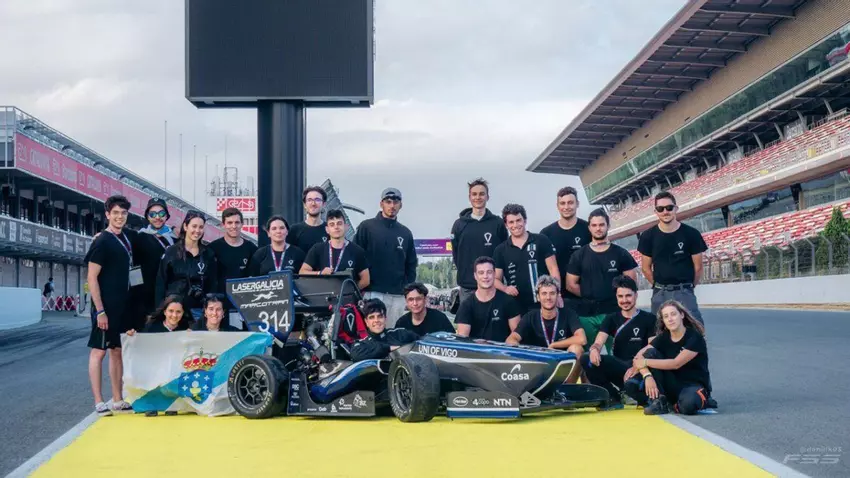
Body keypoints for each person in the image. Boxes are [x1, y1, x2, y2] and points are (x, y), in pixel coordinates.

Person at [85, 195, 135, 416]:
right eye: (115, 213)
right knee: (99, 352)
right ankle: (98, 401)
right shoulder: (102, 241)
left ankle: (117, 399)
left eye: (123, 213)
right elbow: (92, 277)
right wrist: (100, 311)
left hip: (123, 306)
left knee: (117, 351)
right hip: (105, 308)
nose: (119, 217)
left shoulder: (126, 238)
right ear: (107, 214)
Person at [625, 300, 716, 415]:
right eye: (666, 316)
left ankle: (685, 402)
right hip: (671, 383)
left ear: (681, 315)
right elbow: (638, 358)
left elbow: (676, 363)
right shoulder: (663, 337)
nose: (670, 319)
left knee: (688, 405)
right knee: (633, 382)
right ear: (663, 320)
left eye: (673, 314)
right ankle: (660, 401)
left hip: (691, 384)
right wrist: (647, 375)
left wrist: (645, 362)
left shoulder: (694, 337)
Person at [579, 275, 656, 410]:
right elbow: (598, 342)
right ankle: (613, 397)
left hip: (640, 368)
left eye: (628, 296)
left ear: (636, 295)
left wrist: (638, 364)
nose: (624, 300)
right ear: (616, 297)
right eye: (621, 296)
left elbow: (652, 347)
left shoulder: (649, 318)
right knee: (587, 359)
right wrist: (594, 349)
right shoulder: (611, 318)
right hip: (619, 366)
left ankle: (634, 393)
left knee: (633, 386)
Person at [566, 208, 638, 351]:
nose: (598, 228)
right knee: (588, 355)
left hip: (613, 312)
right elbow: (571, 285)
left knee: (618, 353)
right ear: (589, 227)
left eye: (601, 225)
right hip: (587, 315)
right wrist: (590, 294)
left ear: (608, 226)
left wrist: (612, 297)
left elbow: (631, 283)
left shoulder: (621, 253)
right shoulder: (579, 255)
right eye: (594, 225)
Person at [638, 192, 708, 324]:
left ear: (676, 208)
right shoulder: (647, 236)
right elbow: (645, 268)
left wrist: (688, 287)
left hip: (684, 291)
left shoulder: (691, 234)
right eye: (660, 209)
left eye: (669, 208)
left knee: (696, 328)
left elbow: (698, 267)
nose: (665, 212)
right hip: (660, 293)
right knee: (658, 330)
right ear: (656, 212)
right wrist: (659, 286)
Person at [353, 188, 417, 326]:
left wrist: (405, 287)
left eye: (395, 202)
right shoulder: (367, 227)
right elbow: (356, 257)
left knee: (393, 333)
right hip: (372, 292)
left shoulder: (405, 232)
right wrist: (360, 286)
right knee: (371, 332)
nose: (392, 206)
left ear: (401, 205)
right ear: (381, 204)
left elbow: (411, 264)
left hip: (397, 295)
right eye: (388, 202)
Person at [506, 276, 586, 383]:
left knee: (577, 349)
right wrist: (524, 351)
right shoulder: (530, 316)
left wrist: (554, 345)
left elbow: (582, 339)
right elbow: (511, 339)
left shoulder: (568, 314)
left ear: (558, 295)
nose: (548, 297)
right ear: (538, 297)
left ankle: (568, 389)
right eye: (544, 293)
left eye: (552, 293)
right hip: (538, 364)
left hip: (562, 363)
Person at [450, 178, 508, 307]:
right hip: (467, 287)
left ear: (487, 197)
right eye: (474, 194)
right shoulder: (459, 225)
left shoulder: (498, 223)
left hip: (493, 285)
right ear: (469, 197)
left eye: (482, 194)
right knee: (468, 319)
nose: (478, 197)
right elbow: (456, 254)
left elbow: (504, 252)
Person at [493, 203, 559, 315]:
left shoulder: (541, 240)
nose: (515, 225)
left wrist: (558, 294)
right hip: (516, 306)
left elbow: (553, 270)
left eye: (518, 220)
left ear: (525, 220)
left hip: (543, 304)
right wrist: (505, 288)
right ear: (506, 225)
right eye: (511, 222)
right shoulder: (500, 250)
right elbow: (495, 279)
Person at [156, 210, 219, 319]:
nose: (197, 231)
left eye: (201, 227)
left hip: (198, 310)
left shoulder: (208, 254)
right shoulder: (172, 252)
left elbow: (213, 284)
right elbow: (160, 283)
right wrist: (159, 310)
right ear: (185, 226)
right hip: (174, 310)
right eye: (194, 226)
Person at [128, 197, 178, 331]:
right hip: (146, 297)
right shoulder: (139, 237)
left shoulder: (176, 239)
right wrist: (139, 298)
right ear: (147, 217)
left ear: (167, 216)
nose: (157, 217)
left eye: (161, 213)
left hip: (170, 297)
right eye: (153, 214)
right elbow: (134, 269)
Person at [539, 187, 591, 312]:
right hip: (559, 299)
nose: (566, 207)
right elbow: (543, 270)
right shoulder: (546, 234)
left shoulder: (588, 229)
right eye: (562, 203)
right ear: (557, 206)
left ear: (577, 204)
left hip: (585, 296)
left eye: (570, 202)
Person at [208, 207, 257, 327]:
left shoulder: (251, 248)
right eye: (229, 223)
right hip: (220, 307)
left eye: (237, 222)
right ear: (223, 225)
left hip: (244, 306)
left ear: (242, 224)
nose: (233, 226)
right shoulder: (213, 248)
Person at [300, 208, 370, 290]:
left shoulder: (357, 251)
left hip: (347, 297)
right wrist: (320, 273)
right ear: (327, 229)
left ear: (346, 227)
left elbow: (366, 280)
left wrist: (351, 291)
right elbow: (302, 272)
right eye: (332, 224)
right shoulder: (317, 249)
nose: (336, 227)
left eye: (339, 223)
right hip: (322, 295)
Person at [455, 256, 522, 342]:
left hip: (503, 349)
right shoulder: (466, 306)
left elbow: (517, 336)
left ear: (494, 274)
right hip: (477, 350)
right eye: (481, 273)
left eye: (489, 272)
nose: (485, 276)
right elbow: (463, 341)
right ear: (475, 276)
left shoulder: (509, 301)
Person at [349, 299, 419, 362]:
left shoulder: (399, 333)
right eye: (372, 317)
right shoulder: (361, 344)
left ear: (385, 319)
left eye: (380, 316)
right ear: (366, 322)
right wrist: (388, 348)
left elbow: (421, 343)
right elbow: (356, 356)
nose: (376, 320)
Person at [287, 186, 330, 253]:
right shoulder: (294, 230)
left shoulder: (330, 229)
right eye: (309, 200)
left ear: (323, 204)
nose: (313, 203)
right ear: (305, 205)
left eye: (317, 200)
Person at [127, 295, 193, 334]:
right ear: (165, 312)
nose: (174, 315)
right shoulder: (151, 328)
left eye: (178, 312)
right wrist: (132, 337)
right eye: (171, 311)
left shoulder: (186, 330)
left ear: (183, 313)